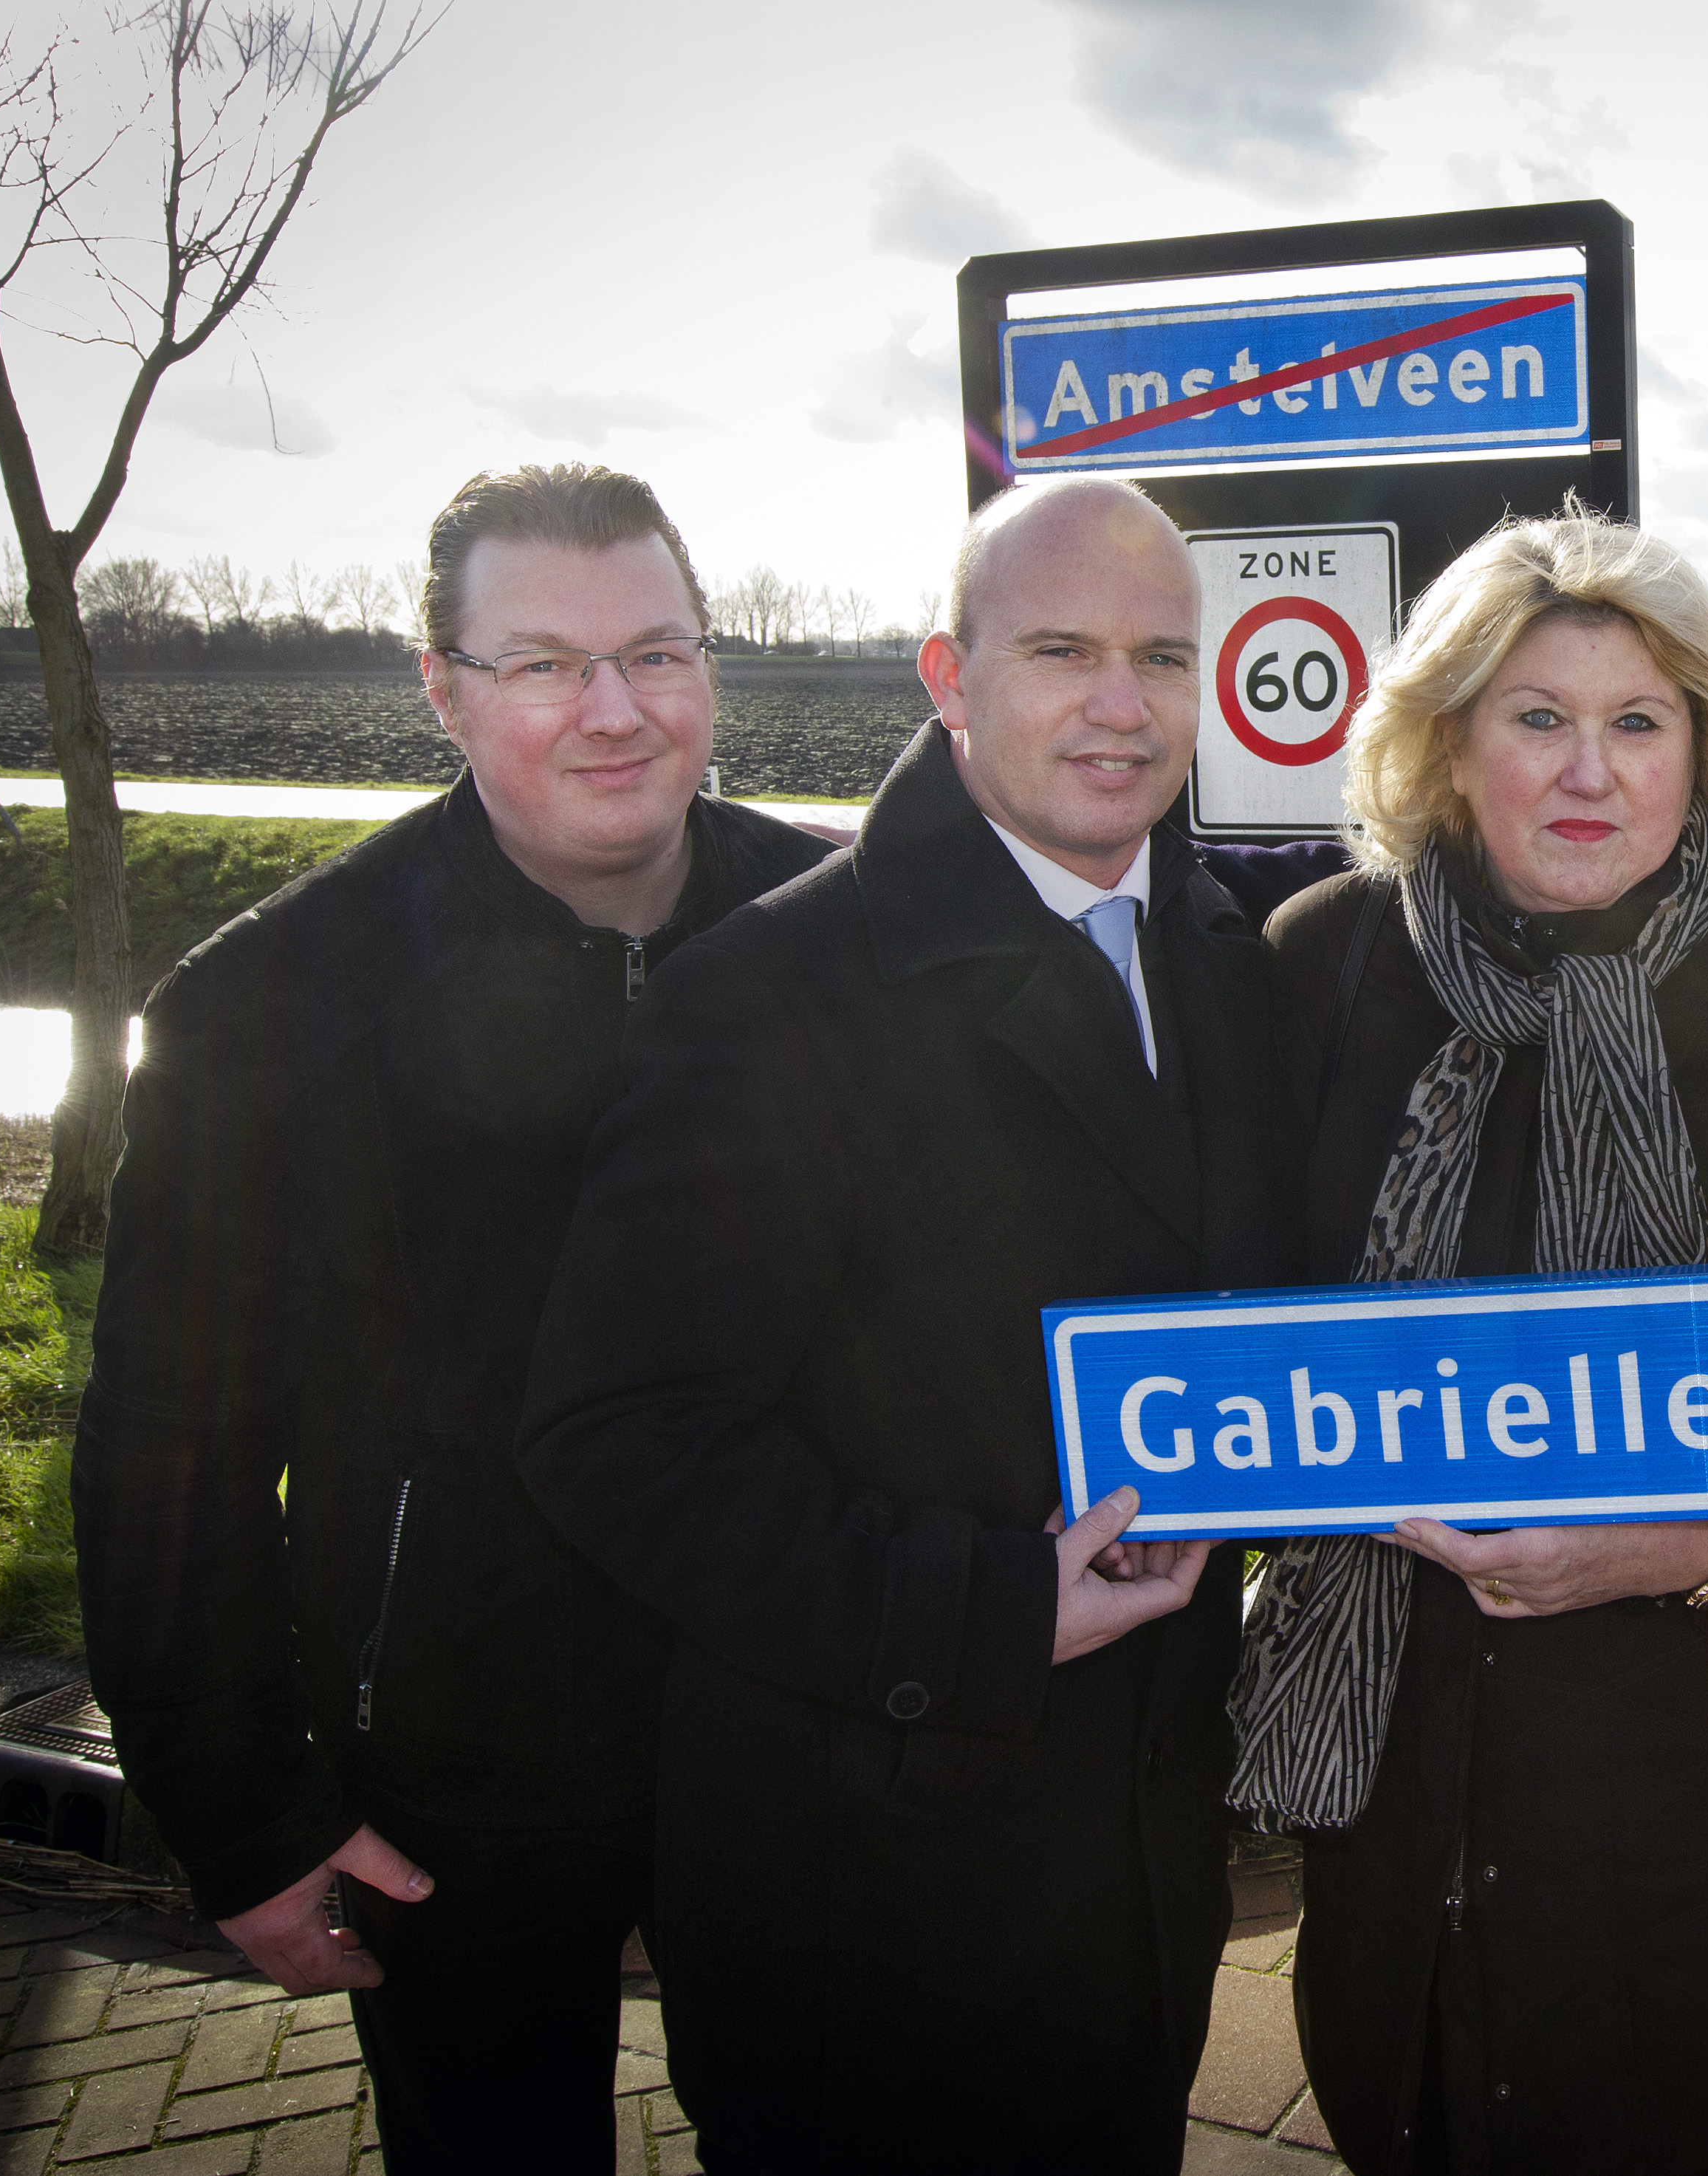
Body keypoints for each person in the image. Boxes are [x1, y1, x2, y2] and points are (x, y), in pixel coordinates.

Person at [514, 476, 1300, 2171]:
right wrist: (980, 1610)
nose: (1119, 705)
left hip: (1137, 1897)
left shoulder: (1234, 970)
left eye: (1161, 657)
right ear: (948, 677)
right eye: (1060, 652)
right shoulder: (767, 999)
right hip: (863, 1910)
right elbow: (614, 1439)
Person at [72, 465, 831, 2168]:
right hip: (453, 1773)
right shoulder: (271, 1007)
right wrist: (246, 1818)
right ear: (442, 688)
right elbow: (169, 1455)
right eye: (545, 664)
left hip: (794, 1729)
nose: (616, 711)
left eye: (656, 653)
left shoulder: (842, 946)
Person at [1235, 511, 1708, 2174]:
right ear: (1448, 747)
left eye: (1637, 721)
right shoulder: (1323, 968)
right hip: (1407, 1757)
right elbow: (1232, 1327)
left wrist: (1700, 1547)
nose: (1589, 771)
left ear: (1707, 754)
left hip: (1701, 1756)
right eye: (1536, 717)